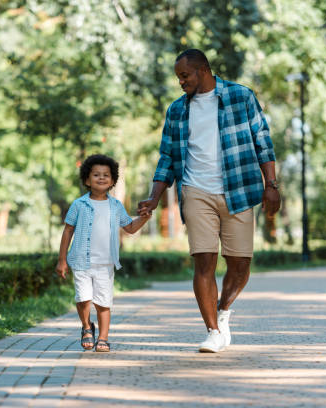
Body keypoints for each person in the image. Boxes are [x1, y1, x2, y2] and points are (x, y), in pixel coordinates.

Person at [138, 49, 281, 353]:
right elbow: (166, 157)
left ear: (203, 70)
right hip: (195, 190)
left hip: (239, 189)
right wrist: (153, 198)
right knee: (204, 262)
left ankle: (223, 309)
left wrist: (272, 184)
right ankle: (213, 330)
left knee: (240, 266)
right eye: (178, 77)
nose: (181, 82)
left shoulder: (240, 97)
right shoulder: (177, 110)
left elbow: (263, 141)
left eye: (185, 75)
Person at [56, 154, 151, 352]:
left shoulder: (115, 206)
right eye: (96, 174)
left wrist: (144, 218)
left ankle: (103, 338)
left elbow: (130, 228)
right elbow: (67, 231)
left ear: (113, 181)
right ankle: (86, 326)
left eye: (106, 175)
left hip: (106, 263)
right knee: (83, 298)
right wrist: (62, 260)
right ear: (87, 180)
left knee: (103, 302)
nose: (101, 178)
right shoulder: (79, 205)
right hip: (81, 260)